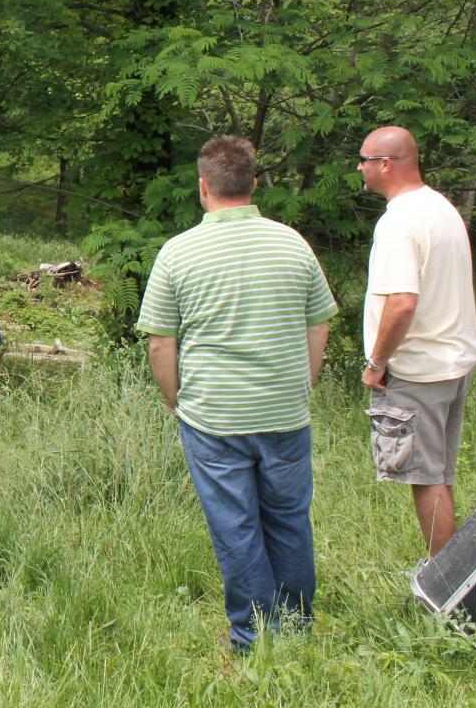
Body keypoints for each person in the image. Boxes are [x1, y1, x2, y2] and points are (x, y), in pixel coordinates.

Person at [136, 135, 337, 652]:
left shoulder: (178, 252)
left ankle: (252, 637)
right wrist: (304, 383)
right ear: (254, 183)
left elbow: (161, 342)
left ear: (203, 186)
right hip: (285, 412)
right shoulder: (293, 244)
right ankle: (296, 625)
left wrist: (174, 398)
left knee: (236, 526)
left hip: (213, 417)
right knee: (289, 520)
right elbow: (319, 323)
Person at [358, 126, 476, 559]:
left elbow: (402, 303)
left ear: (385, 165)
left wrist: (377, 361)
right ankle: (455, 570)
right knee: (439, 474)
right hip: (451, 361)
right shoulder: (440, 207)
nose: (359, 168)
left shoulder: (399, 223)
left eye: (364, 160)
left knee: (425, 479)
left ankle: (445, 580)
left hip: (417, 369)